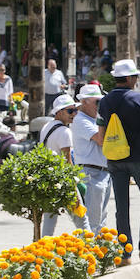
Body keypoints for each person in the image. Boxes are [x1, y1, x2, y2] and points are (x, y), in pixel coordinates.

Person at [97, 59, 140, 266]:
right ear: (128, 78)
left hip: (114, 160)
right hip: (138, 158)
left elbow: (100, 135)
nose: (136, 80)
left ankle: (125, 254)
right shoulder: (139, 98)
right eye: (134, 76)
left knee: (122, 206)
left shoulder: (105, 101)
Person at [40, 94, 84, 236]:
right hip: (63, 182)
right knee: (82, 220)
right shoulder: (65, 132)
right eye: (70, 111)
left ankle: (42, 250)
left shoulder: (46, 127)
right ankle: (91, 250)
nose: (74, 114)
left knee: (49, 221)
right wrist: (74, 191)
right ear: (59, 112)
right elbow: (67, 162)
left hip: (49, 180)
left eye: (75, 110)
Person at [72, 84, 111, 232]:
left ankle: (100, 253)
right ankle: (89, 253)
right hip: (91, 173)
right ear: (84, 102)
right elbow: (101, 139)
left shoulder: (95, 118)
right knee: (92, 222)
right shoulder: (80, 120)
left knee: (101, 220)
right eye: (97, 102)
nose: (99, 106)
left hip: (104, 172)